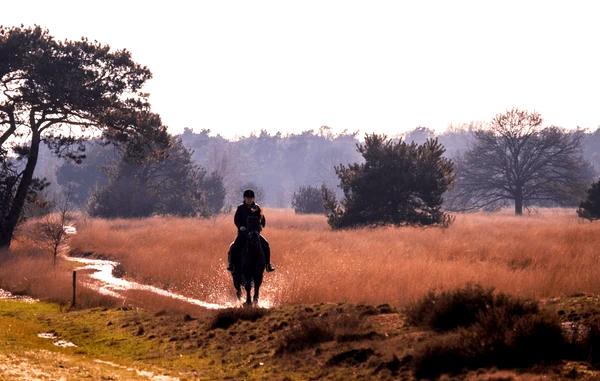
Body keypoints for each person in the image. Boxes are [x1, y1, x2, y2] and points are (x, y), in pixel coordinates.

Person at [227, 189, 275, 273]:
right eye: (247, 198)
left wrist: (261, 223)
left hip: (255, 234)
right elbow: (236, 219)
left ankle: (268, 265)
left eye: (251, 198)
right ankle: (232, 265)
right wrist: (240, 226)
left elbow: (263, 220)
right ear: (244, 198)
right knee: (233, 247)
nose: (249, 200)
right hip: (243, 234)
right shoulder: (240, 208)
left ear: (253, 199)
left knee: (266, 244)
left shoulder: (257, 208)